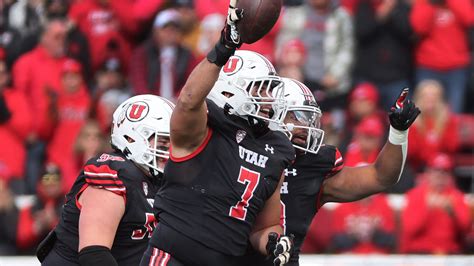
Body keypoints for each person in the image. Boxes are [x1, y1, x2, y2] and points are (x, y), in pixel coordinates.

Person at [140, 5, 295, 266]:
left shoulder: (277, 148)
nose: (269, 98)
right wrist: (224, 46)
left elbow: (264, 226)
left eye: (270, 90)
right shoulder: (206, 124)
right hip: (174, 255)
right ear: (231, 89)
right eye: (261, 89)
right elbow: (189, 99)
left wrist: (273, 241)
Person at [243, 77, 420, 265]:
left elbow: (381, 177)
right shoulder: (241, 153)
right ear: (271, 114)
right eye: (297, 116)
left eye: (309, 118)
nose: (306, 127)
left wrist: (398, 132)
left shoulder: (313, 168)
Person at [37, 94, 174, 266]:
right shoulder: (114, 174)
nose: (169, 150)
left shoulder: (157, 180)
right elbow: (94, 254)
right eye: (163, 142)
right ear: (131, 138)